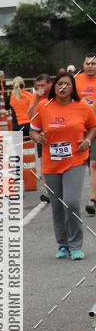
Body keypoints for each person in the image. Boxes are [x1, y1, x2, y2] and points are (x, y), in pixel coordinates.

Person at [30, 71, 96, 260]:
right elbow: (33, 131)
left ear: (73, 88)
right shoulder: (44, 106)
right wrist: (38, 137)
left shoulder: (82, 106)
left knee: (72, 202)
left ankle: (76, 245)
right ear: (54, 87)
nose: (63, 87)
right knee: (57, 206)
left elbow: (93, 126)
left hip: (75, 161)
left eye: (67, 84)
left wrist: (88, 140)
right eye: (59, 84)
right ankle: (62, 244)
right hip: (51, 164)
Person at [74, 54, 96, 214]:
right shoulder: (76, 80)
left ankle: (93, 200)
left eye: (94, 63)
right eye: (88, 63)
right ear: (83, 64)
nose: (90, 66)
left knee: (94, 164)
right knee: (88, 164)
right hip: (82, 128)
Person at [27, 73, 51, 202]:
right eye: (38, 86)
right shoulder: (36, 97)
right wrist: (37, 98)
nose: (41, 88)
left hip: (56, 133)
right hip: (41, 134)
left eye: (43, 85)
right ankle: (47, 192)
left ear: (49, 84)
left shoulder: (56, 95)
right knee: (44, 162)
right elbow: (30, 115)